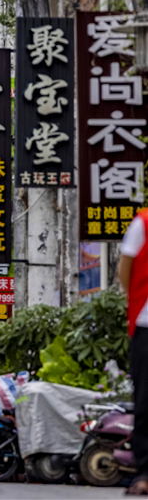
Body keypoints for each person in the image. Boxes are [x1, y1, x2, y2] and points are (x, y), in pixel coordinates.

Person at [119, 208, 148, 495]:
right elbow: (124, 269)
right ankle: (145, 472)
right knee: (145, 402)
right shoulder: (143, 222)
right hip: (145, 324)